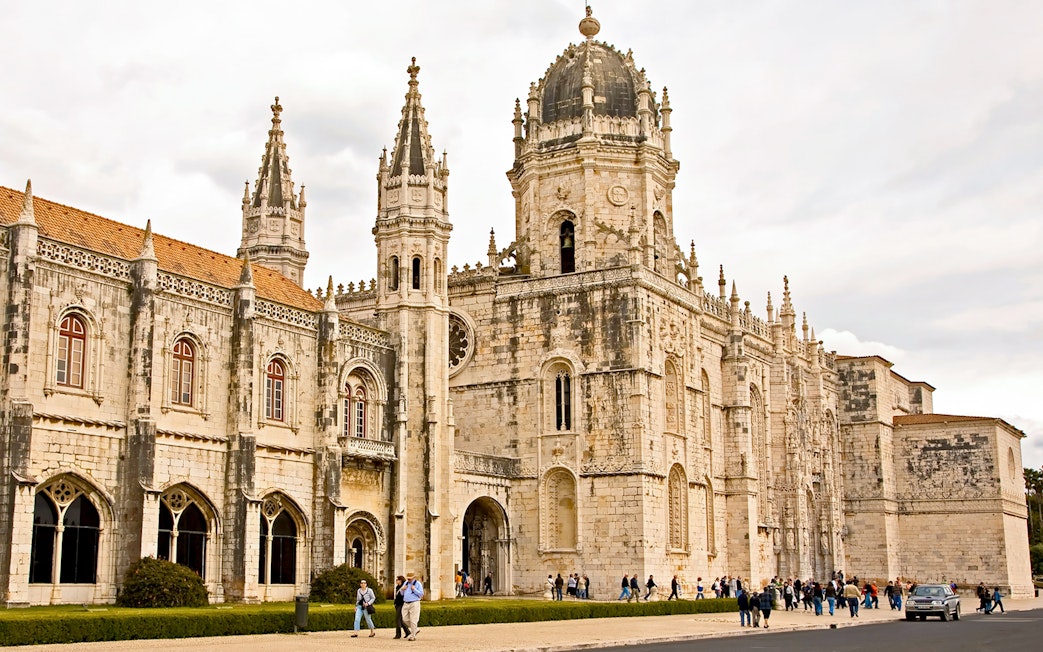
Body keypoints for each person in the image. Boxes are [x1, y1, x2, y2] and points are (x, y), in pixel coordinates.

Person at [402, 572, 424, 641]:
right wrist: (402, 589)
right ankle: (415, 629)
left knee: (413, 619)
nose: (408, 580)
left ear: (414, 578)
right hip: (406, 603)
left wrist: (414, 589)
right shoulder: (405, 583)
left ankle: (413, 635)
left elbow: (421, 594)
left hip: (414, 602)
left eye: (410, 579)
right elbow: (402, 594)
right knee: (404, 618)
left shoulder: (418, 584)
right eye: (408, 578)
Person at [393, 575, 411, 639]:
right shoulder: (398, 587)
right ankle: (408, 632)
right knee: (400, 620)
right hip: (397, 604)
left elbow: (404, 596)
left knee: (397, 619)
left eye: (397, 580)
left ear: (400, 580)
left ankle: (398, 634)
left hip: (402, 604)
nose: (396, 581)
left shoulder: (404, 587)